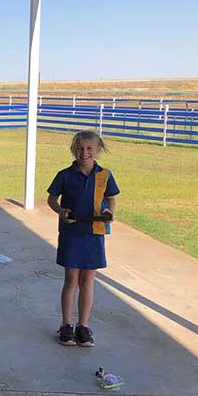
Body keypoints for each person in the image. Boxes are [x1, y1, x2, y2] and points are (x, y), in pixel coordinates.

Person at [46, 131, 119, 347]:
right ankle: (66, 325)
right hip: (72, 233)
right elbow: (51, 198)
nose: (84, 152)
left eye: (89, 148)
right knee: (71, 280)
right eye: (79, 148)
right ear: (73, 149)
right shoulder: (65, 175)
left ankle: (83, 326)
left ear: (98, 150)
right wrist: (60, 211)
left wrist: (109, 212)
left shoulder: (105, 175)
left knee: (88, 281)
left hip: (95, 232)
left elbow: (110, 198)